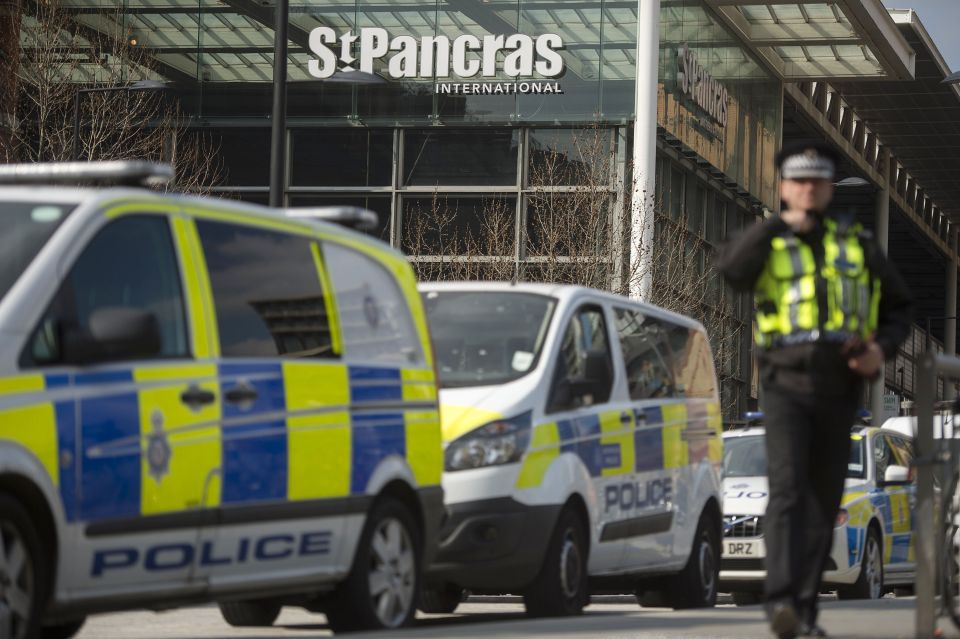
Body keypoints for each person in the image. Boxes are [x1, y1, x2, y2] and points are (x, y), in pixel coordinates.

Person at [718, 142, 914, 638]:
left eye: (817, 182)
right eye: (797, 182)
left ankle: (802, 608)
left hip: (841, 383)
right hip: (784, 381)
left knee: (822, 499)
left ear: (829, 188)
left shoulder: (857, 245)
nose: (808, 190)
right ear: (784, 187)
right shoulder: (769, 241)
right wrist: (776, 224)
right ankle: (781, 599)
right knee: (787, 491)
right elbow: (731, 271)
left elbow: (899, 309)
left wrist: (881, 350)